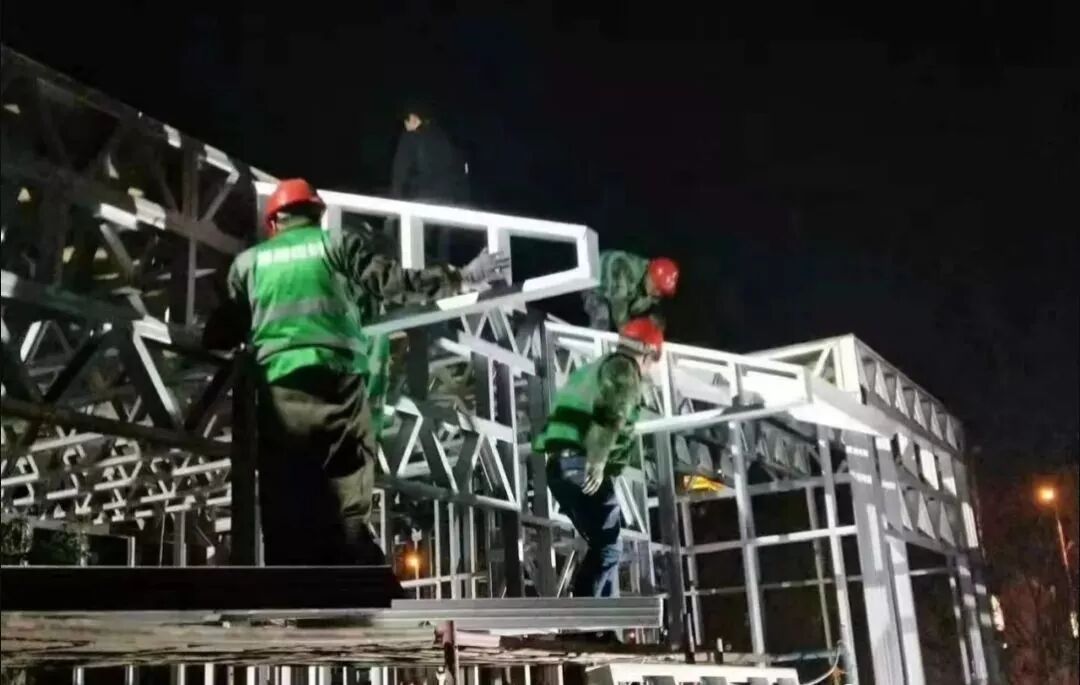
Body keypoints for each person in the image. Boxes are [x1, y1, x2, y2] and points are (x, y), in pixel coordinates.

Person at [203, 178, 508, 575]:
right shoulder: (336, 245)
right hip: (337, 384)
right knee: (346, 484)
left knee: (284, 488)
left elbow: (220, 333)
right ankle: (353, 574)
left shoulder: (249, 263)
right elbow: (394, 284)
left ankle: (287, 583)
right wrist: (461, 277)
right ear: (317, 216)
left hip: (279, 387)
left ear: (273, 223)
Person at [532, 317, 663, 599]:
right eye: (651, 362)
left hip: (558, 467)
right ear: (646, 353)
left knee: (602, 544)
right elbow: (609, 417)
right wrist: (597, 461)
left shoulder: (597, 368)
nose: (649, 369)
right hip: (582, 462)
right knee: (609, 547)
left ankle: (595, 611)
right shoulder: (624, 370)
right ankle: (588, 613)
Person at [582, 251, 679, 332]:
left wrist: (656, 323)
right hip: (596, 283)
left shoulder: (654, 292)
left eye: (661, 291)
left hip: (622, 295)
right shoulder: (626, 270)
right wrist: (625, 329)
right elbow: (619, 302)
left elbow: (656, 312)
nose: (657, 293)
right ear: (649, 274)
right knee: (602, 318)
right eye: (656, 286)